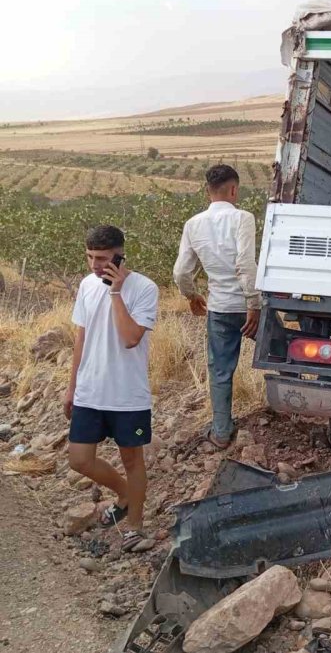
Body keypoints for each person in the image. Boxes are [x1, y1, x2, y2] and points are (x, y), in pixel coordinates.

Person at [65, 225, 159, 551]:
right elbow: (82, 337)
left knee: (133, 460)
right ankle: (123, 494)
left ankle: (134, 523)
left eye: (102, 258)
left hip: (127, 395)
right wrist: (71, 387)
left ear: (119, 255)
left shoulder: (144, 288)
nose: (93, 264)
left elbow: (131, 338)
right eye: (90, 256)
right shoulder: (86, 285)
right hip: (90, 390)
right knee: (79, 459)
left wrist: (116, 292)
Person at [173, 164, 261, 449]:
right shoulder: (243, 218)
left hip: (220, 308)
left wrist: (191, 295)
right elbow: (246, 265)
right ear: (234, 189)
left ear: (207, 191)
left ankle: (221, 432)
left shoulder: (193, 224)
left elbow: (181, 272)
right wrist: (254, 304)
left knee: (221, 370)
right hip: (248, 308)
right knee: (284, 353)